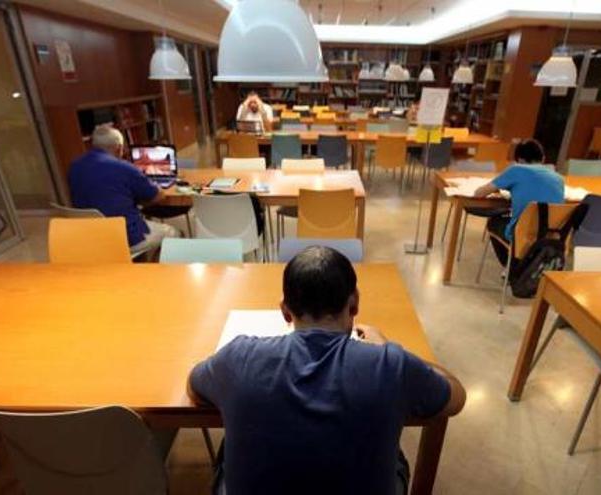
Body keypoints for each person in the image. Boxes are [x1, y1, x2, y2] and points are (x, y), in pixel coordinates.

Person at [187, 246, 465, 495]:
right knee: (393, 453)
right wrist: (389, 348)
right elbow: (456, 397)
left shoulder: (238, 358)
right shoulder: (391, 365)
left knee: (228, 447)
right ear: (354, 303)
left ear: (285, 312)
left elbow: (194, 386)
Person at [68, 124, 179, 253]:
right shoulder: (123, 167)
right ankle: (156, 270)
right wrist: (144, 202)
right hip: (126, 237)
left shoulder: (75, 166)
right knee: (175, 233)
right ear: (119, 148)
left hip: (93, 237)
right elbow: (158, 196)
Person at [471, 139, 564, 265]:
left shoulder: (516, 170)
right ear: (543, 159)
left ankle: (512, 267)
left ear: (519, 160)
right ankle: (527, 264)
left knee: (494, 222)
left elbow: (480, 193)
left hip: (523, 235)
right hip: (551, 236)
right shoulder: (558, 178)